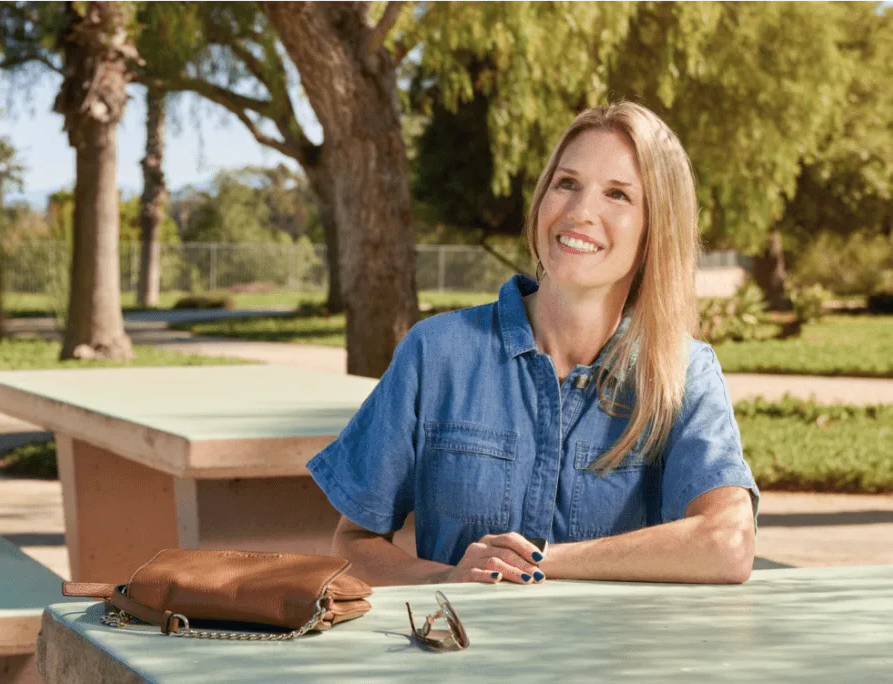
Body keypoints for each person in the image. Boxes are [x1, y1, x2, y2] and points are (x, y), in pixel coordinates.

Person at [307, 100, 759, 587]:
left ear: (656, 228)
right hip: (461, 657)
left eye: (618, 195)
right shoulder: (436, 354)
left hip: (618, 661)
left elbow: (728, 544)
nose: (580, 212)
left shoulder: (682, 370)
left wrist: (537, 563)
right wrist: (451, 578)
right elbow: (353, 544)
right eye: (567, 184)